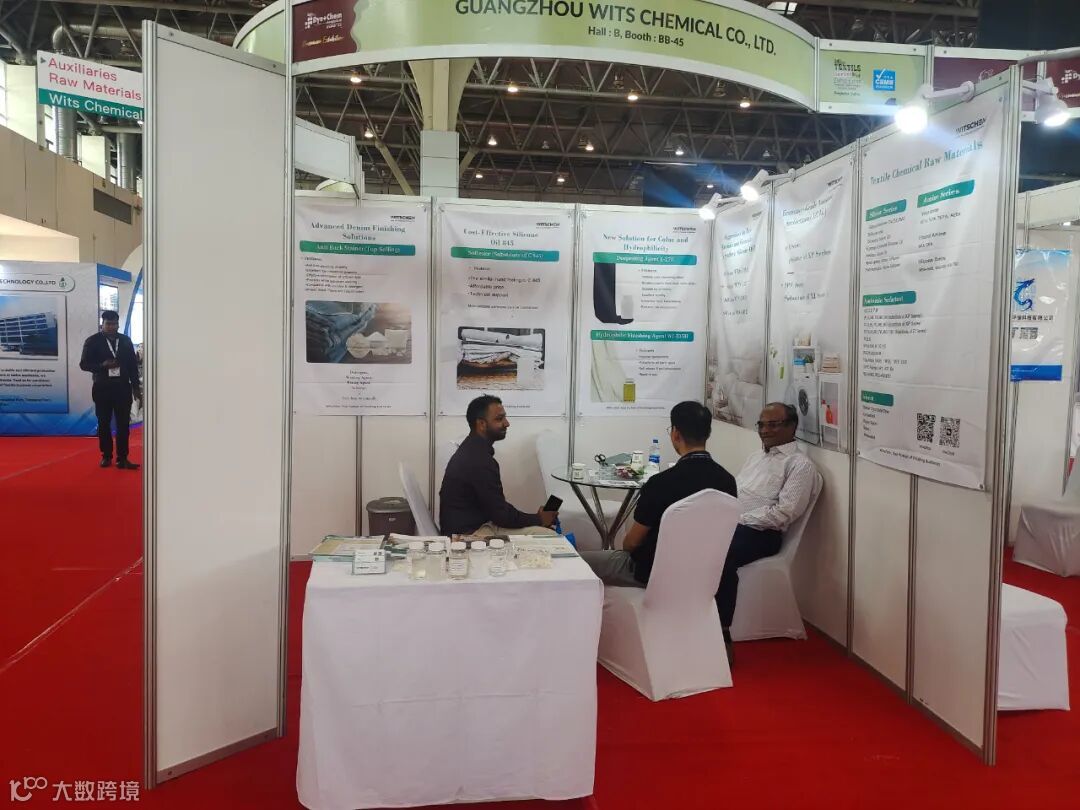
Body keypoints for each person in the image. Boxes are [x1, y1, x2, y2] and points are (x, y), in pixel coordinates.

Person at [580, 401, 737, 588]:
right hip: (705, 576)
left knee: (576, 563)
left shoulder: (660, 483)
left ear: (675, 434)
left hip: (651, 573)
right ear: (708, 433)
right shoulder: (728, 482)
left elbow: (631, 543)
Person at [717, 402, 818, 641]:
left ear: (792, 426)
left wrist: (740, 519)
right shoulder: (756, 457)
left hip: (762, 533)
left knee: (718, 554)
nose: (764, 430)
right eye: (761, 425)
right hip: (734, 523)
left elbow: (784, 513)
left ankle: (722, 628)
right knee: (691, 541)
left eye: (773, 425)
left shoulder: (799, 465)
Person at [439, 395, 559, 537]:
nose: (507, 423)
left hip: (475, 526)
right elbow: (501, 516)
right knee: (549, 536)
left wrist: (537, 519)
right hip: (467, 535)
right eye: (499, 419)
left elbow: (498, 509)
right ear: (481, 424)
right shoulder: (479, 461)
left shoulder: (472, 450)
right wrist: (539, 519)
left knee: (543, 531)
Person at [79, 310, 142, 469]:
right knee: (104, 423)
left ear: (118, 324)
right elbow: (84, 364)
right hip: (102, 388)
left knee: (123, 424)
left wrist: (136, 388)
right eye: (108, 324)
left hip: (123, 388)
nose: (112, 327)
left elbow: (133, 366)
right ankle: (106, 456)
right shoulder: (92, 341)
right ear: (102, 324)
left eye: (114, 324)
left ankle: (123, 458)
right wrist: (102, 365)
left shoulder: (125, 341)